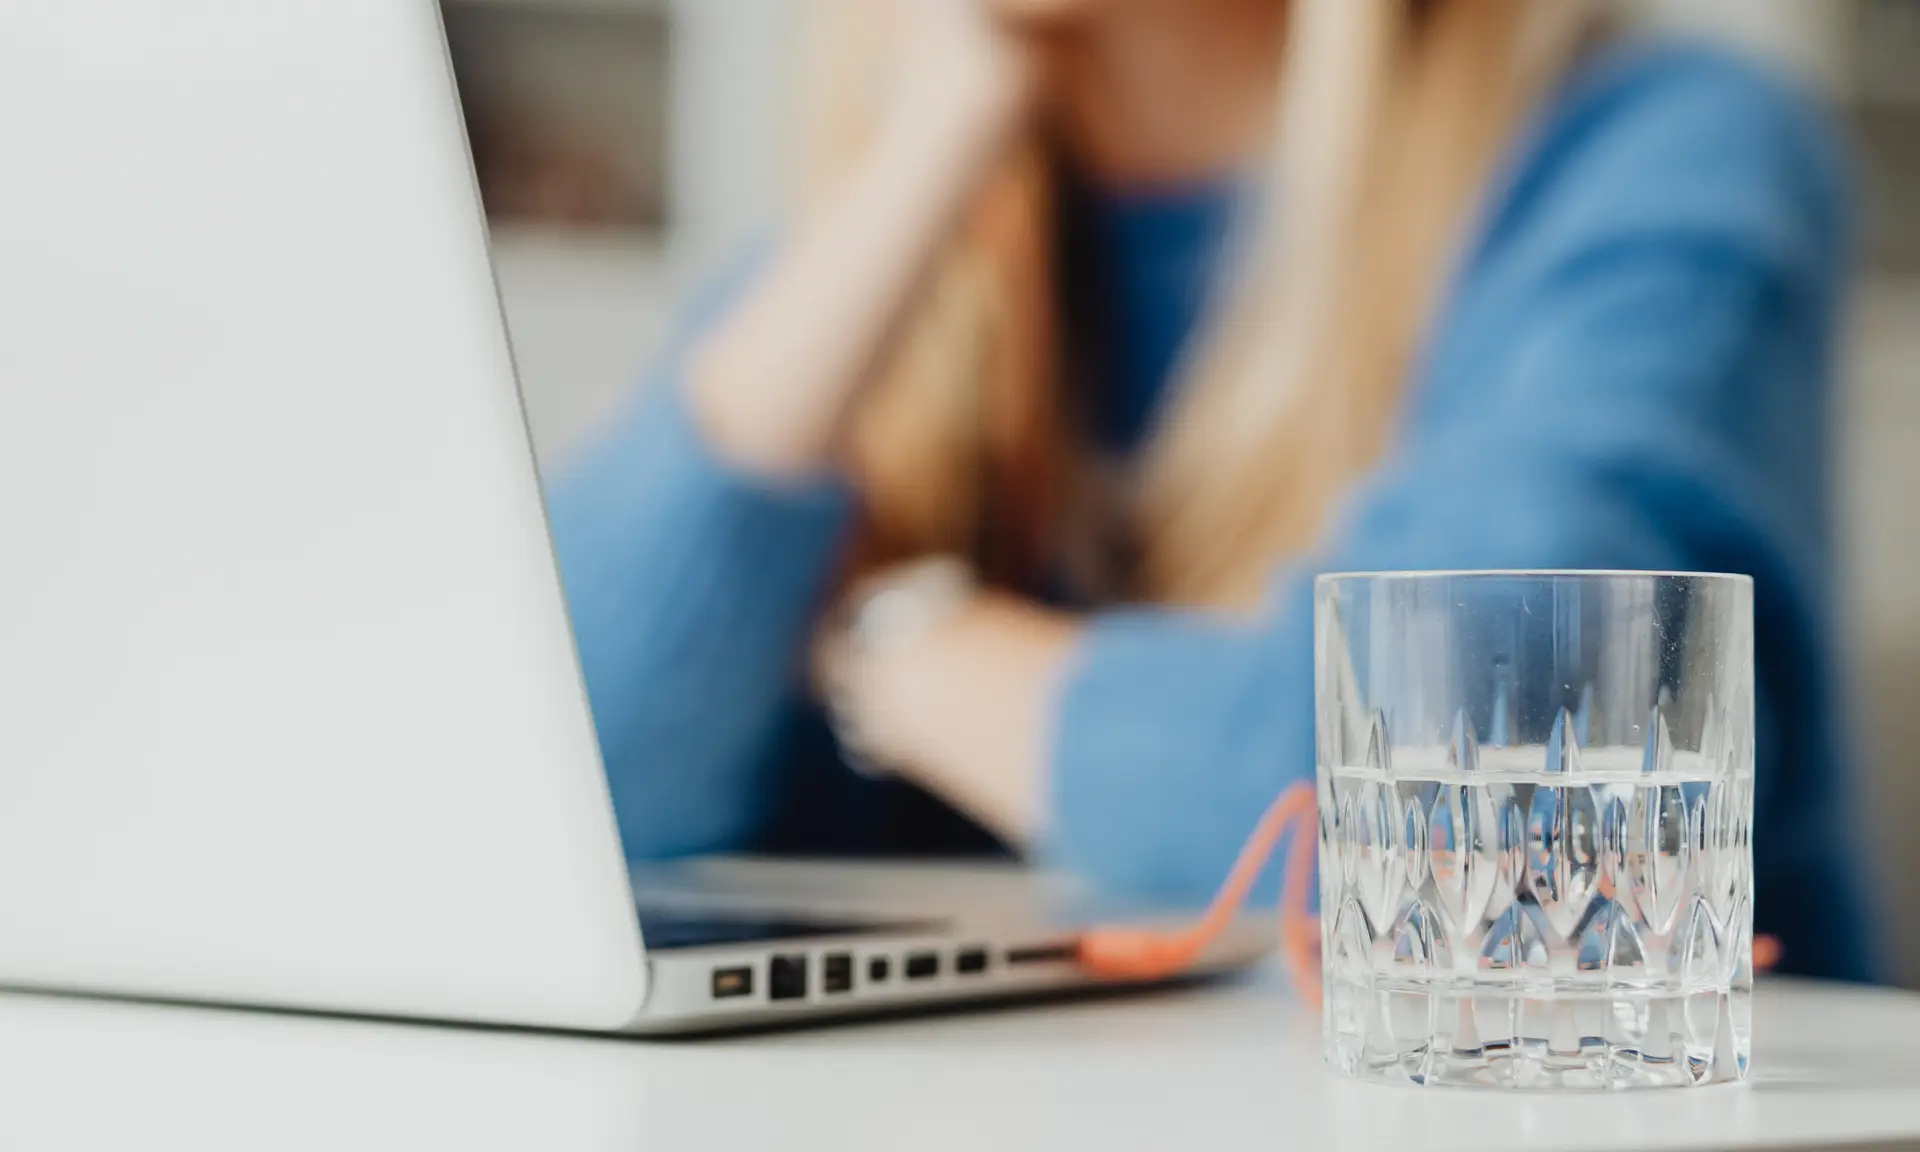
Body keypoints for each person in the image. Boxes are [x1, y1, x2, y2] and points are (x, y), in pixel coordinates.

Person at [545, 0, 1877, 982]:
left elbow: (1486, 803)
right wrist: (939, 121)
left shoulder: (1658, 151)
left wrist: (891, 649)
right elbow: (551, 786)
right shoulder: (910, 249)